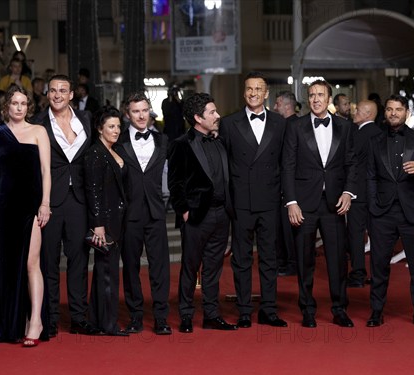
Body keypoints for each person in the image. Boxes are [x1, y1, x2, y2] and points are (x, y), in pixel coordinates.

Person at [281, 79, 357, 328]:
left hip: (334, 202)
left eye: (320, 95)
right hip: (303, 203)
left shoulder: (345, 127)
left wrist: (348, 192)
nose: (315, 99)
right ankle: (307, 309)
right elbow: (288, 165)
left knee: (337, 259)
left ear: (329, 99)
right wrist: (291, 201)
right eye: (311, 94)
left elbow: (351, 163)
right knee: (304, 260)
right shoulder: (295, 127)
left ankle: (339, 308)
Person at [219, 72, 288, 329]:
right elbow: (224, 166)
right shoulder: (229, 123)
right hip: (241, 202)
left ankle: (269, 309)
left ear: (266, 93)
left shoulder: (280, 123)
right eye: (249, 89)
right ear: (244, 92)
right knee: (241, 259)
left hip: (270, 200)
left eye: (258, 89)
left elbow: (285, 163)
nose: (253, 93)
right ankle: (245, 310)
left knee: (270, 258)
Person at [366, 94, 414, 328]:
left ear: (406, 112)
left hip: (413, 213)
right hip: (383, 213)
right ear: (384, 112)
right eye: (389, 109)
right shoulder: (374, 141)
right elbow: (369, 176)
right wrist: (372, 206)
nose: (393, 113)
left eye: (398, 109)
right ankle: (377, 311)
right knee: (378, 265)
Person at [0, 86, 51, 346]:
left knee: (31, 263)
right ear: (7, 106)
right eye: (15, 103)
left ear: (29, 107)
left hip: (32, 206)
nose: (19, 107)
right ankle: (11, 324)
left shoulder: (39, 131)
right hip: (5, 207)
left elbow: (46, 170)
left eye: (24, 103)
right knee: (10, 267)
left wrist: (45, 203)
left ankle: (35, 320)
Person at [168, 93, 237, 333]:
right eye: (212, 113)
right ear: (198, 117)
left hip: (222, 214)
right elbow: (174, 184)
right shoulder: (180, 144)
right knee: (190, 267)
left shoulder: (219, 140)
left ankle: (211, 315)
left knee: (214, 268)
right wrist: (185, 211)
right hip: (197, 216)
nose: (218, 116)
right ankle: (186, 315)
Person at [32, 74, 93, 337]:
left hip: (80, 199)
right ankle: (50, 318)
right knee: (49, 262)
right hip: (49, 201)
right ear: (48, 95)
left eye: (63, 90)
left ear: (71, 95)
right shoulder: (38, 124)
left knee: (79, 260)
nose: (57, 95)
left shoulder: (87, 121)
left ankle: (79, 317)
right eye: (53, 90)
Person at [115, 92, 171, 335]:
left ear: (150, 112)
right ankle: (136, 317)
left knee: (160, 268)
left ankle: (161, 318)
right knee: (130, 267)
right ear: (128, 114)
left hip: (156, 212)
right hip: (130, 213)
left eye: (144, 110)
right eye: (135, 111)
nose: (140, 115)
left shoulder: (163, 141)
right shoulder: (118, 144)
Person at [84, 105, 128, 336]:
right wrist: (98, 224)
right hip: (105, 222)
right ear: (99, 129)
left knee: (106, 271)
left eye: (118, 126)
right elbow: (93, 191)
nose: (116, 130)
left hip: (118, 219)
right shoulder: (95, 153)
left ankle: (96, 322)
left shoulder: (116, 149)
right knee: (107, 272)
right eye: (111, 126)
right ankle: (108, 324)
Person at [346, 100, 382, 288]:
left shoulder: (358, 134)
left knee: (355, 234)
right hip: (376, 194)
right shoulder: (380, 134)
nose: (354, 113)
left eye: (358, 110)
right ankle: (378, 275)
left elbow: (349, 159)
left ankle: (358, 273)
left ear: (368, 114)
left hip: (358, 193)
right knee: (378, 236)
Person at [273, 90, 298, 277]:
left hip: (292, 186)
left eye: (277, 104)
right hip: (282, 185)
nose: (274, 107)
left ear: (287, 105)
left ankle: (291, 263)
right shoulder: (283, 125)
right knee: (282, 227)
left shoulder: (293, 126)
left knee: (290, 229)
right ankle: (285, 262)